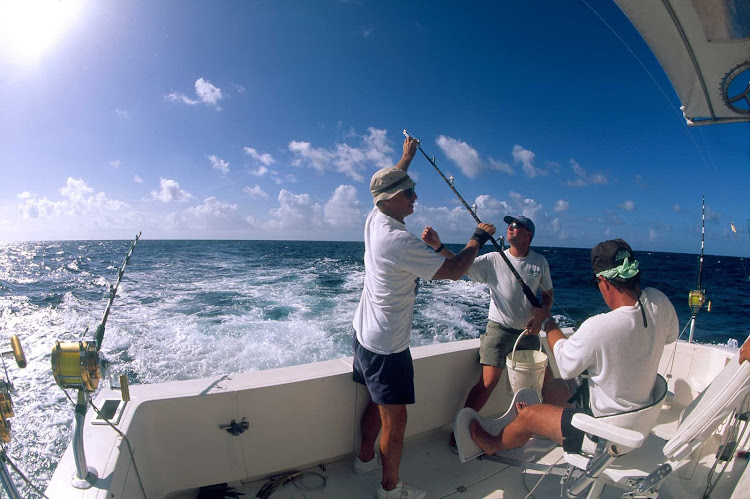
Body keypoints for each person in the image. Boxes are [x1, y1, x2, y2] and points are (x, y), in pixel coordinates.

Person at [352, 136, 496, 499]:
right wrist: (477, 237)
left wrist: (406, 157)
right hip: (388, 345)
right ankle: (389, 489)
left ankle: (364, 458)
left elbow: (390, 182)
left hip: (364, 334)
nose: (415, 198)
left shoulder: (375, 216)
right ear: (391, 200)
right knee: (395, 422)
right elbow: (454, 270)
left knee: (375, 400)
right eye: (410, 194)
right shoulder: (397, 240)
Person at [469, 239, 679, 456]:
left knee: (528, 416)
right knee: (557, 388)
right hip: (639, 426)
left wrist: (548, 322)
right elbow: (670, 336)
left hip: (604, 435)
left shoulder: (599, 326)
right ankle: (544, 420)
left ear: (603, 282)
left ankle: (495, 443)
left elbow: (565, 362)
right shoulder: (659, 300)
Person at [424, 215, 555, 450]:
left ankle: (551, 425)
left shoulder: (540, 262)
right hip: (499, 328)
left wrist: (540, 316)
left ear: (528, 235)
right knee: (488, 382)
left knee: (546, 379)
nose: (510, 228)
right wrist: (438, 246)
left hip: (529, 332)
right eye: (509, 225)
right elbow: (460, 265)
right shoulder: (494, 259)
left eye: (517, 226)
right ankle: (460, 431)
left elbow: (547, 295)